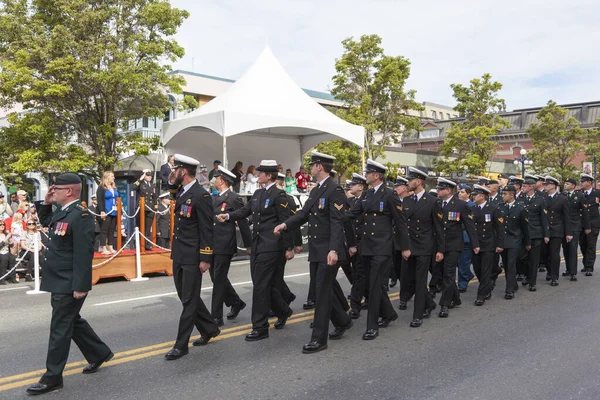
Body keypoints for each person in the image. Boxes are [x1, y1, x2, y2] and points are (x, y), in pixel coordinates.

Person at [26, 173, 113, 396]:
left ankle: (52, 377)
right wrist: (45, 203)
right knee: (71, 321)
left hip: (69, 281)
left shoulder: (81, 216)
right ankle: (99, 352)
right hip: (59, 279)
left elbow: (84, 254)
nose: (52, 191)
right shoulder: (64, 212)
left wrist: (80, 286)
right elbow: (47, 223)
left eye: (56, 189)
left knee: (59, 329)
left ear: (70, 192)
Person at [275, 151, 352, 353]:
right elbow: (303, 214)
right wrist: (285, 225)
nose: (310, 168)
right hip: (318, 250)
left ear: (320, 166)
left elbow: (337, 223)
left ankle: (319, 339)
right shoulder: (317, 189)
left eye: (312, 164)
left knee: (322, 294)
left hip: (329, 250)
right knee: (321, 291)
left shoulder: (334, 190)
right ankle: (343, 321)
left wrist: (334, 249)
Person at [218, 160, 294, 342]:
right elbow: (245, 211)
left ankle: (260, 327)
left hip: (272, 246)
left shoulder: (279, 195)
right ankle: (283, 310)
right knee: (263, 284)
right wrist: (228, 216)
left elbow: (287, 223)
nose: (258, 175)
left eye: (261, 173)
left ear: (269, 176)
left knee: (260, 286)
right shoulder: (258, 193)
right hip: (258, 245)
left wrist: (289, 247)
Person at [164, 154, 218, 360]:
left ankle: (181, 344)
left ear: (183, 171)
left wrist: (205, 258)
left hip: (194, 256)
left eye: (175, 169)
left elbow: (207, 229)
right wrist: (171, 182)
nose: (172, 172)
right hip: (180, 253)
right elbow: (173, 195)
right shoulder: (182, 191)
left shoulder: (201, 196)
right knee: (186, 296)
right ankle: (209, 328)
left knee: (188, 300)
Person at [347, 160, 409, 336]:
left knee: (374, 287)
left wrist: (404, 247)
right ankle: (389, 313)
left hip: (382, 247)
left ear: (376, 176)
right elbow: (352, 214)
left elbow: (400, 221)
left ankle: (371, 326)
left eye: (367, 173)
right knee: (371, 285)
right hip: (366, 247)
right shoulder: (366, 195)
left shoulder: (389, 194)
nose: (365, 176)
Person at [207, 166, 252, 328]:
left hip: (225, 244)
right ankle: (235, 301)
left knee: (218, 279)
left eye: (216, 178)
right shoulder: (213, 197)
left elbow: (243, 221)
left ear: (222, 181)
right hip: (212, 243)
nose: (214, 181)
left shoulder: (233, 198)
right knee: (215, 277)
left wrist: (248, 244)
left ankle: (216, 316)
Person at [399, 167, 443, 327]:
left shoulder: (432, 201)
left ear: (419, 181)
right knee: (410, 280)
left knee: (420, 281)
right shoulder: (406, 201)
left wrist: (440, 250)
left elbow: (439, 228)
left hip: (424, 247)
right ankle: (430, 304)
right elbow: (402, 226)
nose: (408, 183)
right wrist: (403, 247)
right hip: (409, 247)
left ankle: (417, 315)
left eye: (410, 180)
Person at [435, 178, 478, 318]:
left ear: (448, 190)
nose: (437, 191)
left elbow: (470, 225)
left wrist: (475, 244)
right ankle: (456, 298)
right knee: (442, 274)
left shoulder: (460, 205)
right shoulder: (435, 204)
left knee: (449, 273)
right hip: (438, 244)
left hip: (453, 245)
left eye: (440, 189)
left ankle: (445, 304)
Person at [471, 184, 504, 306]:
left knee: (485, 270)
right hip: (475, 244)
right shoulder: (472, 209)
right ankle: (487, 287)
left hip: (489, 244)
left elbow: (499, 228)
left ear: (482, 196)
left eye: (475, 195)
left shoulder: (493, 208)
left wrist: (500, 244)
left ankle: (481, 295)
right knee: (477, 269)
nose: (473, 197)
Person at [498, 185, 530, 299]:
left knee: (511, 264)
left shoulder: (520, 208)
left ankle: (509, 289)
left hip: (514, 239)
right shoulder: (500, 207)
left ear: (512, 194)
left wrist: (527, 243)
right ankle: (514, 284)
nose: (502, 196)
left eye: (504, 194)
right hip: (503, 240)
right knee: (506, 264)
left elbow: (525, 227)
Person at [518, 178, 548, 291]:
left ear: (531, 187)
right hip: (522, 234)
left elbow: (544, 219)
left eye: (525, 186)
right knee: (521, 257)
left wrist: (546, 234)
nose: (522, 188)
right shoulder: (520, 199)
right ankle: (527, 274)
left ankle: (532, 282)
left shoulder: (540, 200)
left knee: (534, 259)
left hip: (535, 233)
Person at [543, 176, 572, 286]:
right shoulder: (543, 198)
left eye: (547, 184)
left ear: (554, 186)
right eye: (545, 184)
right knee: (544, 253)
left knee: (554, 253)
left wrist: (568, 233)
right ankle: (549, 271)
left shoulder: (562, 199)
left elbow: (567, 217)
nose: (545, 186)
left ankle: (554, 276)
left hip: (556, 229)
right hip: (545, 230)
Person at [347, 173, 369, 318]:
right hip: (356, 243)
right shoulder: (355, 201)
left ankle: (355, 305)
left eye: (353, 184)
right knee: (360, 275)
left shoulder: (367, 200)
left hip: (365, 243)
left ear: (360, 187)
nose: (350, 186)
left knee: (361, 275)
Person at [561, 178, 589, 280]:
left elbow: (585, 212)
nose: (565, 185)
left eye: (567, 184)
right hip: (564, 225)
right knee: (565, 248)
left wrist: (587, 226)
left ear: (573, 185)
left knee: (573, 248)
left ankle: (573, 272)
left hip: (575, 225)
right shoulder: (562, 195)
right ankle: (568, 269)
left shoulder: (580, 196)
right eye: (565, 183)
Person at [579, 174, 600, 276]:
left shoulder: (597, 193)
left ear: (589, 182)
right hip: (582, 224)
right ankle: (585, 264)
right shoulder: (579, 193)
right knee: (583, 245)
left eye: (583, 181)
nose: (581, 183)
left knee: (591, 246)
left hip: (593, 223)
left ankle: (589, 267)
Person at [457, 184, 476, 292]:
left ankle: (462, 284)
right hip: (456, 236)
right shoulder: (456, 204)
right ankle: (468, 275)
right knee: (456, 261)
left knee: (464, 261)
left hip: (466, 236)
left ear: (468, 194)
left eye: (462, 192)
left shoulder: (472, 205)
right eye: (459, 192)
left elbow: (470, 223)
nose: (460, 193)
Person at [134, 169, 157, 251]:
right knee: (141, 227)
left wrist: (155, 207)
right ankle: (139, 244)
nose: (150, 177)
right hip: (142, 208)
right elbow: (133, 187)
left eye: (150, 175)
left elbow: (154, 197)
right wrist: (141, 178)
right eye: (147, 175)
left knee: (148, 228)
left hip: (150, 208)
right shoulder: (140, 184)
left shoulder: (152, 185)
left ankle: (147, 244)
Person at [96, 172, 119, 255]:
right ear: (107, 177)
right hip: (106, 211)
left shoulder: (114, 188)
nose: (114, 178)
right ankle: (103, 247)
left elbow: (117, 198)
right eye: (112, 176)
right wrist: (102, 211)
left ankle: (111, 246)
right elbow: (100, 200)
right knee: (104, 230)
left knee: (112, 230)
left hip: (114, 211)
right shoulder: (101, 188)